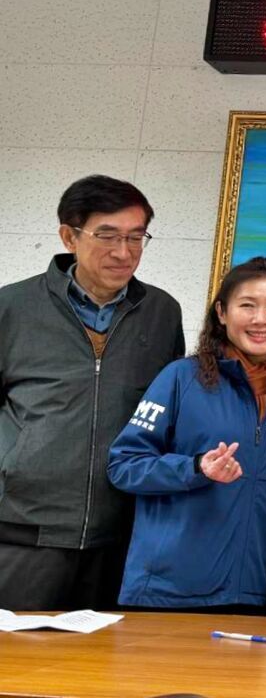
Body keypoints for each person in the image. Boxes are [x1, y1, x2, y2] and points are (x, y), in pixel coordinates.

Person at [0, 175, 183, 611]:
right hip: (22, 531)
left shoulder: (161, 312)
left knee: (100, 654)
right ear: (69, 236)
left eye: (136, 237)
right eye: (107, 235)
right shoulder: (12, 307)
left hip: (119, 536)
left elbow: (165, 413)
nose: (124, 252)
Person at [107, 257, 266, 613]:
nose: (260, 319)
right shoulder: (181, 378)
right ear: (222, 313)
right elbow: (124, 465)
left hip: (254, 594)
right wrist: (196, 468)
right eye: (247, 305)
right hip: (169, 592)